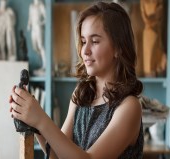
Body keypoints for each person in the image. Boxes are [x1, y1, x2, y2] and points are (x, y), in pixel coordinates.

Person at [9, 2, 143, 158]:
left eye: (95, 41)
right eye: (84, 41)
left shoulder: (130, 107)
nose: (84, 51)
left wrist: (40, 120)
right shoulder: (81, 95)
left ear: (118, 48)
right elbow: (57, 156)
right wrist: (33, 121)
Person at [27, 0, 46, 71]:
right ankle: (41, 61)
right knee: (35, 47)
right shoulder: (31, 6)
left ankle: (44, 65)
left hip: (38, 27)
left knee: (40, 45)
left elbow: (46, 18)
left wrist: (40, 23)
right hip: (33, 28)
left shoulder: (41, 6)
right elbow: (30, 17)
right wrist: (29, 24)